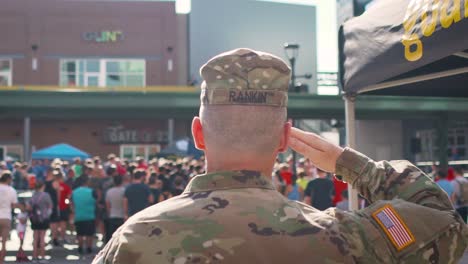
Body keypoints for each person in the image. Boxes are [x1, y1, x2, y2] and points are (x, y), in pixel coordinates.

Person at [93, 49, 467, 263]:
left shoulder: (132, 240)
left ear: (198, 133)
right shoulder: (346, 238)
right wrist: (352, 165)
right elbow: (443, 221)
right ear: (285, 137)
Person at [71, 175, 97, 255]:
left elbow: (71, 204)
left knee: (80, 233)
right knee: (89, 233)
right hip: (90, 215)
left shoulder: (74, 192)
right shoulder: (92, 191)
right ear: (87, 182)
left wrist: (74, 211)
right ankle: (89, 248)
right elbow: (96, 201)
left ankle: (80, 247)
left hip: (78, 216)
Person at [28, 180, 53, 263]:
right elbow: (50, 206)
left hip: (34, 219)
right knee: (42, 238)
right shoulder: (46, 195)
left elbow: (29, 207)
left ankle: (34, 257)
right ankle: (42, 257)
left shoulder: (33, 195)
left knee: (35, 238)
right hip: (44, 218)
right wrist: (47, 215)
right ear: (43, 186)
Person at [0, 170, 17, 263]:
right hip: (6, 216)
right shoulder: (11, 190)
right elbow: (13, 205)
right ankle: (1, 261)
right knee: (4, 243)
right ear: (8, 179)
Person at [104, 175, 125, 243]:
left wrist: (109, 213)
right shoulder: (124, 191)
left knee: (112, 236)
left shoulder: (109, 191)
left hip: (112, 215)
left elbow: (108, 205)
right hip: (122, 216)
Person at [54, 169, 72, 244]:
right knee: (63, 223)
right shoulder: (66, 187)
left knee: (55, 224)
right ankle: (62, 237)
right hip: (63, 207)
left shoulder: (53, 186)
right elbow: (68, 197)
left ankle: (55, 238)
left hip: (55, 207)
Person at [44, 167, 60, 246]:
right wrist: (57, 204)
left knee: (50, 222)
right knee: (54, 222)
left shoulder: (44, 182)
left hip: (45, 205)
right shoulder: (55, 182)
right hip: (52, 204)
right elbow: (58, 194)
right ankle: (54, 238)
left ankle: (52, 237)